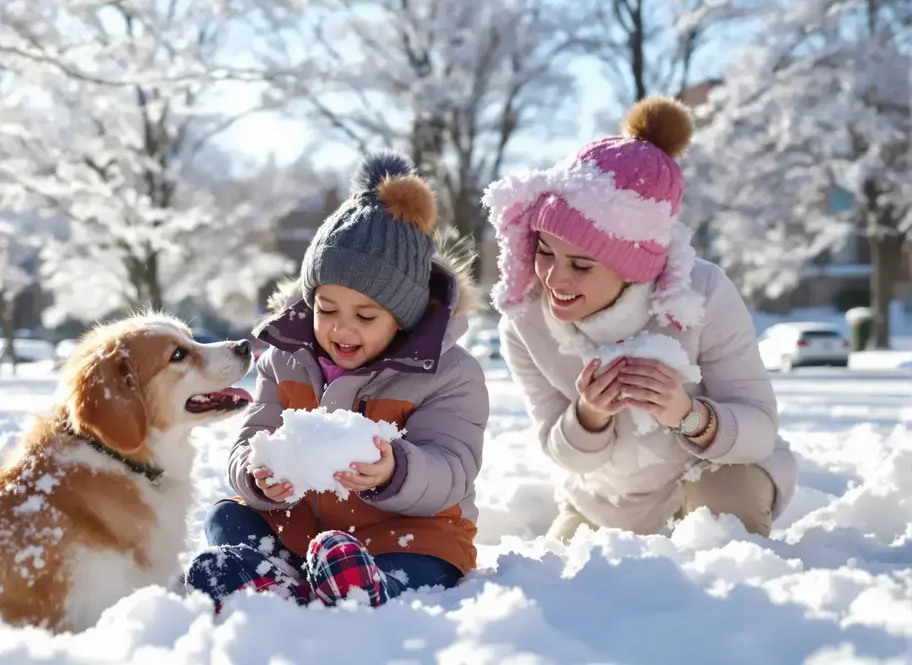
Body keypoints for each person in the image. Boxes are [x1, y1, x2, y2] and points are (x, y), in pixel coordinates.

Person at [184, 150, 489, 612]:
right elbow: (251, 437)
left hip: (406, 533)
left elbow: (453, 467)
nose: (341, 330)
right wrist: (257, 472)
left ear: (403, 318)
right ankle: (281, 579)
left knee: (429, 560)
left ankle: (363, 588)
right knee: (228, 513)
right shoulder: (285, 359)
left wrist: (393, 471)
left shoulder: (449, 374)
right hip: (303, 525)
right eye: (327, 310)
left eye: (366, 316)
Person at [484, 96, 797, 543]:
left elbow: (761, 431)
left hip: (715, 473)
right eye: (544, 252)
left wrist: (685, 413)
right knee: (556, 581)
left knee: (723, 530)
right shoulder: (524, 321)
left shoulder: (701, 293)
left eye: (582, 265)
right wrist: (588, 415)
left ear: (632, 267)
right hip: (604, 500)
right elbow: (558, 449)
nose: (554, 277)